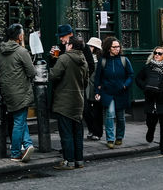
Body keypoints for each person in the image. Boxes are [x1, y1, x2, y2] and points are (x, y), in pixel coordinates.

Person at [0, 23, 35, 163]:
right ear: (19, 36)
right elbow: (32, 72)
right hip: (21, 91)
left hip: (6, 91)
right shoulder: (22, 52)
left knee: (19, 119)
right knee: (19, 121)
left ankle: (28, 145)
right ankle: (16, 152)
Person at [49, 36, 89, 169]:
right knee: (77, 133)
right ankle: (79, 160)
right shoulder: (84, 60)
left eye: (67, 44)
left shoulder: (64, 58)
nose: (65, 46)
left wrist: (53, 62)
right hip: (78, 101)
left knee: (66, 133)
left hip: (64, 101)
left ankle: (68, 161)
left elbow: (54, 75)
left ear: (70, 46)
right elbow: (85, 82)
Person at [94, 36, 134, 149]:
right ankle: (110, 139)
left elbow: (131, 75)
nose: (117, 49)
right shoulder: (103, 61)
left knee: (120, 117)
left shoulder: (124, 60)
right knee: (110, 115)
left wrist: (125, 85)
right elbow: (98, 78)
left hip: (121, 92)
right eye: (114, 47)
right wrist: (97, 91)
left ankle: (119, 137)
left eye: (118, 47)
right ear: (108, 48)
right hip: (107, 92)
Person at [135, 46, 163, 155]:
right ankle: (150, 132)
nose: (157, 55)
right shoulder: (148, 67)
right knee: (150, 122)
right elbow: (138, 78)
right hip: (151, 99)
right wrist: (145, 87)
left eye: (160, 53)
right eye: (155, 53)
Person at [83, 36, 103, 140]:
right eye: (89, 46)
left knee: (97, 111)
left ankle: (97, 132)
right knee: (86, 111)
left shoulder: (100, 60)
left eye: (92, 46)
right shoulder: (84, 57)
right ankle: (91, 129)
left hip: (96, 87)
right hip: (86, 87)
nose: (90, 48)